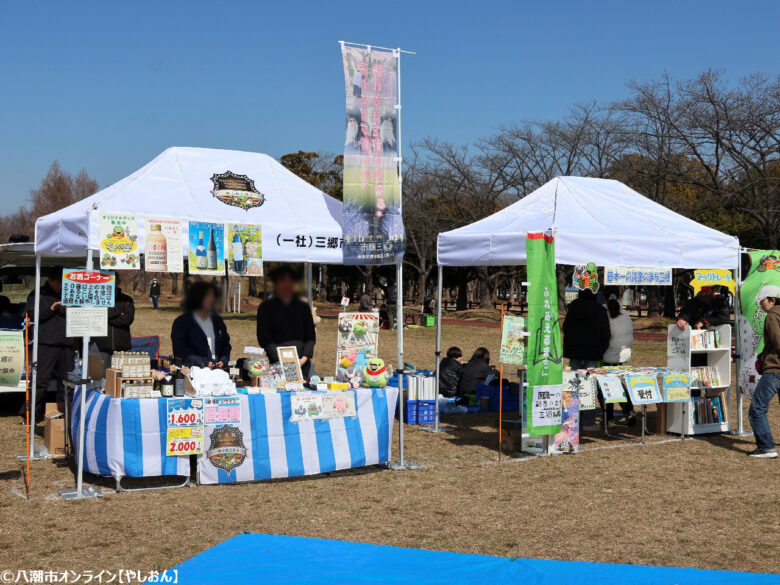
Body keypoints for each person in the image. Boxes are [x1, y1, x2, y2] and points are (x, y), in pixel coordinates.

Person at [19, 272, 75, 421]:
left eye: (63, 283)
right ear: (50, 280)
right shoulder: (38, 294)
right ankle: (30, 415)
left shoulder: (71, 293)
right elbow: (30, 316)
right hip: (46, 343)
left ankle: (64, 414)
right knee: (40, 381)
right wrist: (51, 309)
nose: (60, 287)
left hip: (67, 344)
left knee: (67, 381)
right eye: (58, 283)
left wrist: (68, 310)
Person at [563, 288, 611, 431]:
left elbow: (566, 328)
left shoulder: (572, 309)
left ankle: (574, 419)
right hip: (593, 353)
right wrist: (601, 350)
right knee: (589, 388)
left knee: (574, 387)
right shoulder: (600, 310)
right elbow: (606, 333)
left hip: (575, 353)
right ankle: (589, 422)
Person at [256, 265, 316, 379]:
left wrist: (304, 358)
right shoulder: (265, 307)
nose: (287, 284)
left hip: (302, 365)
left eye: (291, 281)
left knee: (302, 396)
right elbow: (264, 338)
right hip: (277, 365)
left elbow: (310, 336)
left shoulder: (303, 307)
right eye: (283, 281)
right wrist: (285, 361)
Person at [747, 285, 780, 458]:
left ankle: (766, 447)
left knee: (757, 409)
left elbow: (777, 341)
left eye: (762, 301)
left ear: (772, 300)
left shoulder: (772, 316)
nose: (761, 305)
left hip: (775, 369)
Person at [171, 281, 231, 367]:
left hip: (218, 371)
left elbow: (226, 344)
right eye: (207, 296)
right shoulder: (181, 322)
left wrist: (223, 359)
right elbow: (180, 351)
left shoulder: (217, 320)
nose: (212, 300)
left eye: (213, 296)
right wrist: (203, 362)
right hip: (194, 372)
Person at [601, 296, 635, 425]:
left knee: (607, 386)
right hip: (622, 354)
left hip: (608, 355)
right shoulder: (626, 315)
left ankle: (609, 417)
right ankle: (629, 410)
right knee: (617, 382)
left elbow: (605, 335)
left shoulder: (606, 315)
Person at [93, 277, 135, 357]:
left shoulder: (127, 299)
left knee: (119, 369)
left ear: (118, 282)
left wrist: (107, 319)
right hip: (101, 344)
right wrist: (119, 313)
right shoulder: (97, 298)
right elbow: (96, 316)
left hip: (122, 344)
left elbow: (128, 319)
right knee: (103, 368)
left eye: (113, 280)